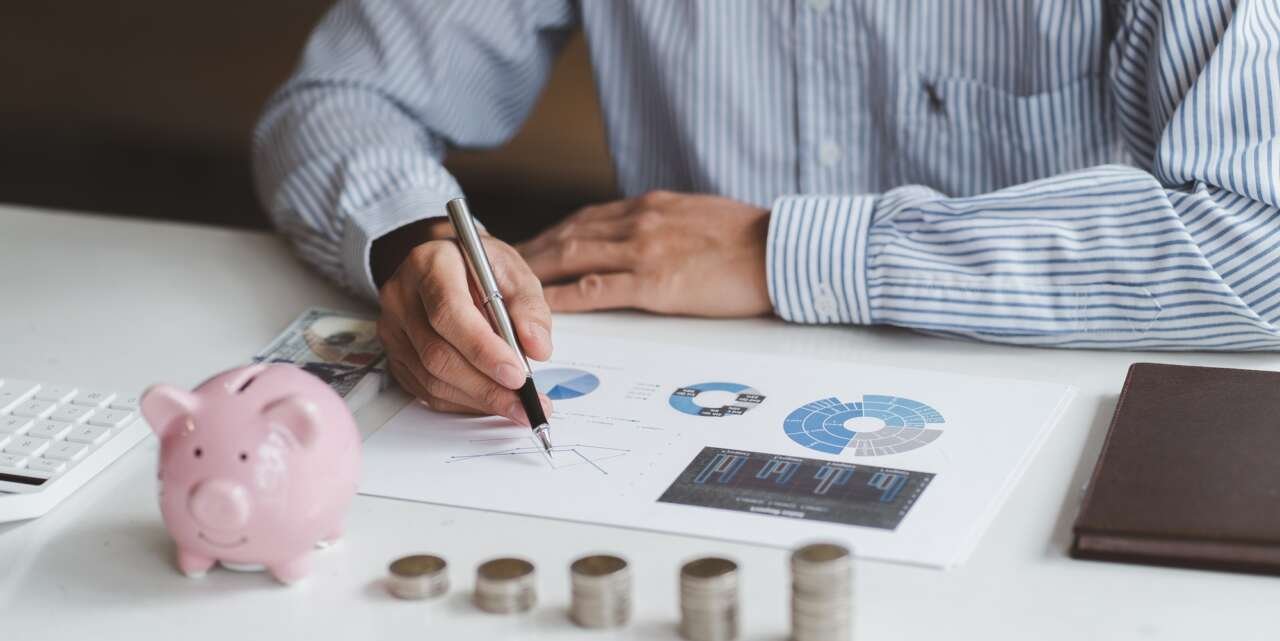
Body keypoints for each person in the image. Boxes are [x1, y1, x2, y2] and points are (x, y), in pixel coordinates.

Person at [253, 1, 1279, 425]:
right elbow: (342, 99)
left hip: (1046, 437)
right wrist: (414, 235)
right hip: (670, 426)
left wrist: (777, 249)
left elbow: (1260, 235)